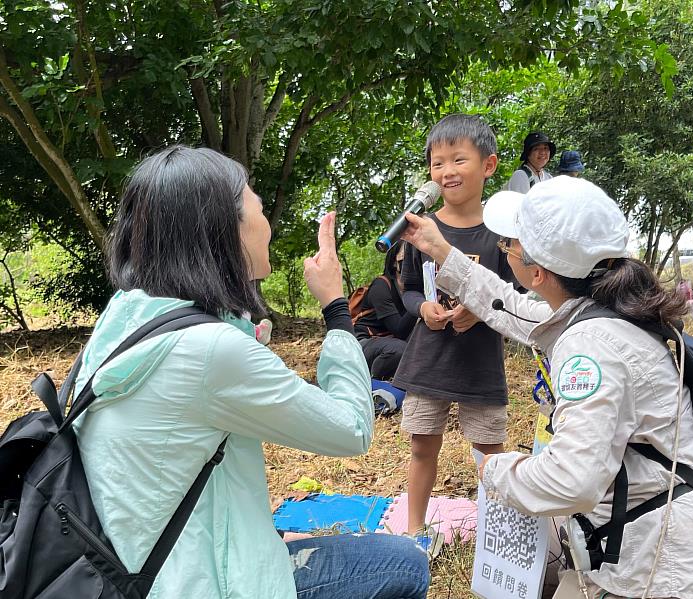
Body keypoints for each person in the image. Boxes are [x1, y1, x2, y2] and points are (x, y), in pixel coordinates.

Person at [72, 146, 429, 599]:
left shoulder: (127, 315)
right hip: (195, 584)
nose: (268, 225)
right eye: (257, 208)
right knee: (405, 563)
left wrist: (269, 536)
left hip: (138, 565)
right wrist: (337, 311)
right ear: (224, 232)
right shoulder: (209, 351)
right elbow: (352, 430)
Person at [400, 176, 693, 598]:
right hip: (647, 541)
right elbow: (510, 309)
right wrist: (441, 250)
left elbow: (571, 481)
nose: (506, 249)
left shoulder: (591, 346)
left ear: (539, 272)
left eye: (510, 244)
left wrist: (494, 470)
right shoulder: (604, 311)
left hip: (669, 572)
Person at [391, 114, 517, 540]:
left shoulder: (500, 235)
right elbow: (407, 289)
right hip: (430, 358)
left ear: (489, 165)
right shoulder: (421, 229)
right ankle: (413, 529)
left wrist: (481, 310)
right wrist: (422, 307)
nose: (446, 172)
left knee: (489, 451)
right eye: (437, 163)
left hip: (480, 362)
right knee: (422, 444)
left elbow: (513, 296)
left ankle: (499, 535)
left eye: (458, 160)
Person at [355, 242, 416, 379]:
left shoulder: (411, 289)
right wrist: (419, 300)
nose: (413, 259)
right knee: (399, 350)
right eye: (408, 254)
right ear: (395, 261)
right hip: (363, 343)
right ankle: (373, 384)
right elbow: (399, 330)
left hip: (391, 342)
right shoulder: (381, 286)